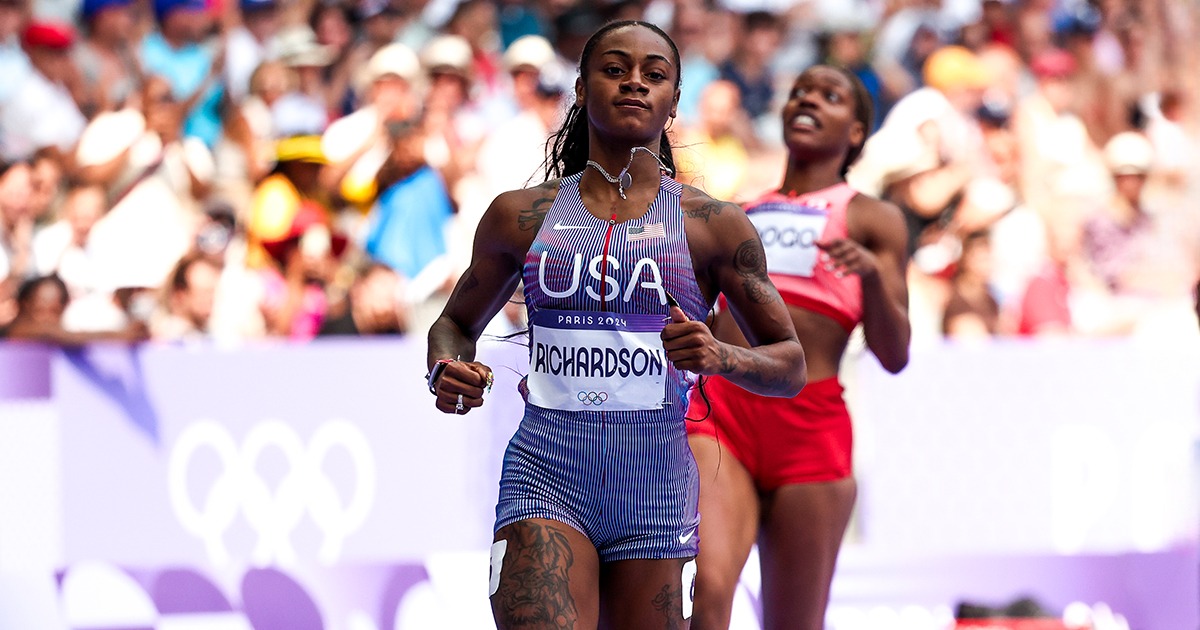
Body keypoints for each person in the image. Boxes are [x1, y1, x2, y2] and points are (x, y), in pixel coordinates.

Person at [426, 20, 806, 629]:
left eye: (654, 75)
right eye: (614, 69)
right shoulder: (521, 217)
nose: (634, 83)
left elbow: (789, 365)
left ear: (674, 101)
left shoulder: (714, 225)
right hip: (545, 476)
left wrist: (720, 356)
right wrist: (446, 368)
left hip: (655, 490)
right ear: (580, 88)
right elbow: (452, 325)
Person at [686, 66, 911, 630]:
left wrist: (875, 279)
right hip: (723, 416)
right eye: (799, 91)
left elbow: (895, 354)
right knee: (706, 593)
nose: (807, 99)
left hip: (810, 430)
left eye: (829, 95)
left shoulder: (872, 219)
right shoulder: (740, 210)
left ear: (856, 131)